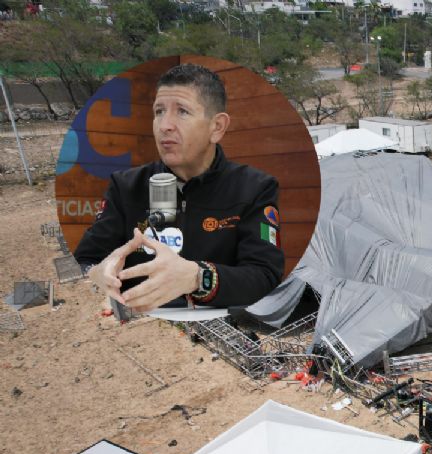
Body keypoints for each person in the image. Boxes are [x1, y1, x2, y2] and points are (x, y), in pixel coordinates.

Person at [73, 64, 284, 313]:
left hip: (217, 328)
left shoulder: (254, 189)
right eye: (159, 112)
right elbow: (85, 259)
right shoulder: (126, 186)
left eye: (182, 112)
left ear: (217, 127)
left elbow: (265, 276)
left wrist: (197, 277)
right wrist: (100, 274)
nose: (165, 125)